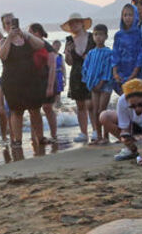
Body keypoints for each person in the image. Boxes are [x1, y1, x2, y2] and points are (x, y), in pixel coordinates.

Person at [0, 17, 46, 146]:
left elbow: (41, 44)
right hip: (12, 82)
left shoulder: (26, 39)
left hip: (31, 79)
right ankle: (17, 140)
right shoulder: (3, 41)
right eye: (7, 24)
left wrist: (25, 34)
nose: (10, 26)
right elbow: (2, 55)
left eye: (12, 23)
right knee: (16, 111)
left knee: (35, 109)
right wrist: (10, 38)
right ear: (4, 27)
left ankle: (40, 138)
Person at [63, 13, 96, 142]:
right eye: (71, 23)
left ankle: (95, 130)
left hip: (91, 74)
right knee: (80, 104)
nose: (74, 25)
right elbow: (69, 62)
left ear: (82, 23)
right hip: (76, 74)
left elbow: (100, 52)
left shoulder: (92, 37)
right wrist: (68, 53)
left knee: (91, 103)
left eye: (76, 22)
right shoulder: (69, 40)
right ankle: (83, 133)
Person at [82, 24, 114, 143]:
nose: (98, 37)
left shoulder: (109, 52)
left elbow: (108, 69)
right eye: (96, 35)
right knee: (95, 111)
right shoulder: (91, 53)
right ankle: (98, 136)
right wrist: (88, 82)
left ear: (106, 36)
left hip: (105, 85)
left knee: (102, 110)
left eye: (101, 35)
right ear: (93, 37)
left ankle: (106, 136)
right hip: (93, 86)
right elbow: (86, 68)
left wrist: (101, 82)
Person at [29, 23, 60, 143]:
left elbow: (52, 67)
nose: (30, 35)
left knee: (47, 107)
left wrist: (50, 86)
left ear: (39, 33)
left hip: (47, 80)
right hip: (33, 82)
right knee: (33, 110)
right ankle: (35, 136)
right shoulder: (29, 46)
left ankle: (54, 134)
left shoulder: (47, 47)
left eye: (32, 32)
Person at [112, 4, 142, 94]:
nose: (127, 18)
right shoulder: (118, 35)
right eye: (125, 15)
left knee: (135, 97)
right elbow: (115, 54)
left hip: (136, 71)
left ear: (135, 16)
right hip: (121, 72)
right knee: (124, 97)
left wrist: (133, 74)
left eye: (130, 15)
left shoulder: (140, 34)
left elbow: (141, 55)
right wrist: (115, 73)